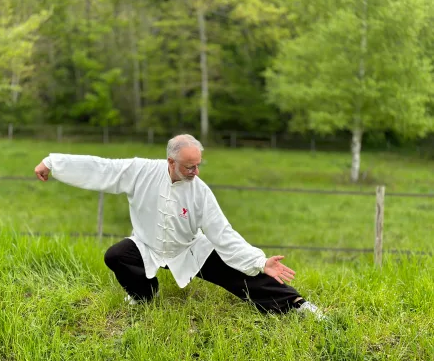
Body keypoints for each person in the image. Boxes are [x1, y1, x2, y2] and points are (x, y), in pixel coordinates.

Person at [34, 134, 324, 318]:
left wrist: (260, 261)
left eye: (198, 165)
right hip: (148, 245)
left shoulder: (200, 190)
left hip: (190, 249)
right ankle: (144, 295)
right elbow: (101, 168)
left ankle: (297, 305)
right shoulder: (140, 171)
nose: (195, 172)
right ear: (170, 161)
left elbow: (223, 234)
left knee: (242, 276)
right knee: (116, 255)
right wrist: (53, 162)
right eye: (189, 167)